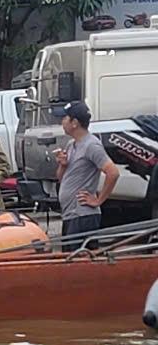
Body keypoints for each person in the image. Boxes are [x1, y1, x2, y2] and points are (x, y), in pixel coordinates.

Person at [53, 100, 119, 240]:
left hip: (82, 216)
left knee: (78, 260)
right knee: (69, 258)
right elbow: (61, 179)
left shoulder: (91, 145)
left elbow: (113, 173)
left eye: (64, 118)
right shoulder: (72, 144)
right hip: (70, 214)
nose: (62, 122)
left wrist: (98, 201)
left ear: (74, 123)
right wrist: (63, 165)